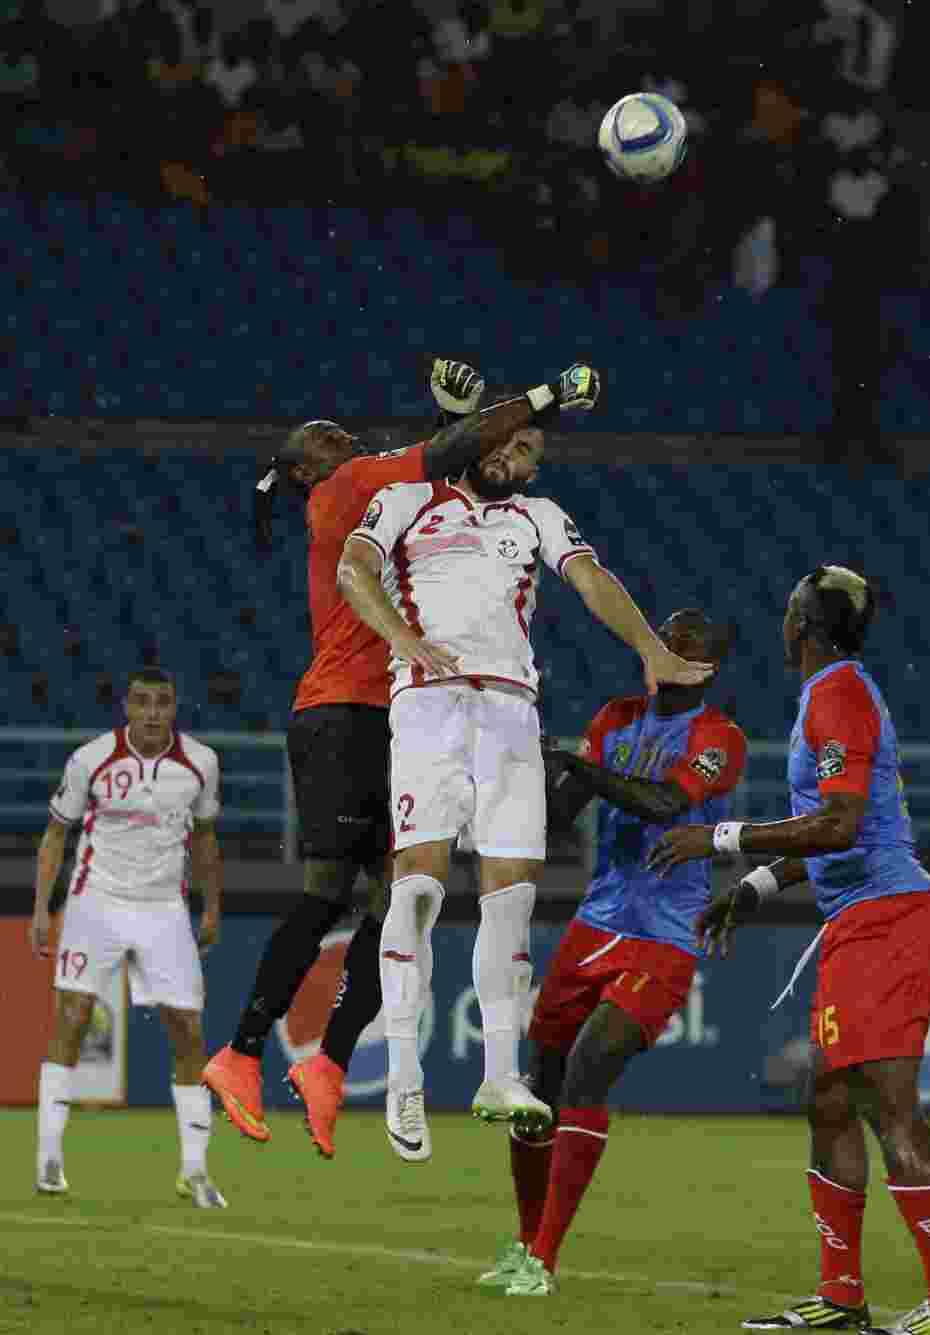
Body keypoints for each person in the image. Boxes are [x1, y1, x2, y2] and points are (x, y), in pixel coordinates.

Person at [201, 358, 603, 1158]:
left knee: (402, 892)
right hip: (342, 710)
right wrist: (542, 398)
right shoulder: (346, 485)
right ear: (303, 467)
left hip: (400, 715)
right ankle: (242, 1051)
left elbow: (444, 475)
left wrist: (451, 415)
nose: (339, 431)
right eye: (321, 434)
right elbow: (452, 455)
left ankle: (331, 1061)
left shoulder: (374, 491)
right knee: (329, 888)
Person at [339, 393, 716, 1164]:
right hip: (430, 702)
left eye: (534, 455)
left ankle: (501, 1074)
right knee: (416, 888)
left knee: (510, 902)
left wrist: (649, 646)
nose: (521, 461)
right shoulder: (407, 498)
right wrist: (406, 639)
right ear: (480, 439)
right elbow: (353, 569)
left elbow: (590, 577)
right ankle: (404, 1073)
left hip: (512, 711)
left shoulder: (538, 515)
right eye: (513, 446)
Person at [653, 566, 930, 1335]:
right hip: (862, 917)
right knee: (829, 1095)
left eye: (789, 605)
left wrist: (719, 838)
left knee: (891, 1106)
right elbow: (830, 833)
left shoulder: (838, 696)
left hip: (888, 917)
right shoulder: (832, 694)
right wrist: (753, 887)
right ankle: (842, 1294)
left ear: (801, 626)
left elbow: (841, 825)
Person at [477, 609, 746, 1297]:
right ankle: (523, 1242)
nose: (665, 645)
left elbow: (663, 802)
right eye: (662, 634)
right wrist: (526, 771)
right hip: (595, 923)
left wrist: (584, 773)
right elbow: (562, 810)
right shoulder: (616, 717)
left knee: (588, 1069)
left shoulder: (720, 738)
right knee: (538, 1083)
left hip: (663, 933)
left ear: (708, 666)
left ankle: (546, 1257)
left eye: (685, 642)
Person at [30, 668, 227, 1208]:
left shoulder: (200, 763)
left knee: (187, 1030)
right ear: (127, 707)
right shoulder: (91, 759)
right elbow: (55, 834)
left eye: (162, 703)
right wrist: (44, 909)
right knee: (70, 1020)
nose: (152, 713)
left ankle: (195, 1168)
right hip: (95, 903)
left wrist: (211, 906)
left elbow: (207, 840)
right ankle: (49, 1157)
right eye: (143, 703)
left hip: (164, 909)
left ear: (174, 707)